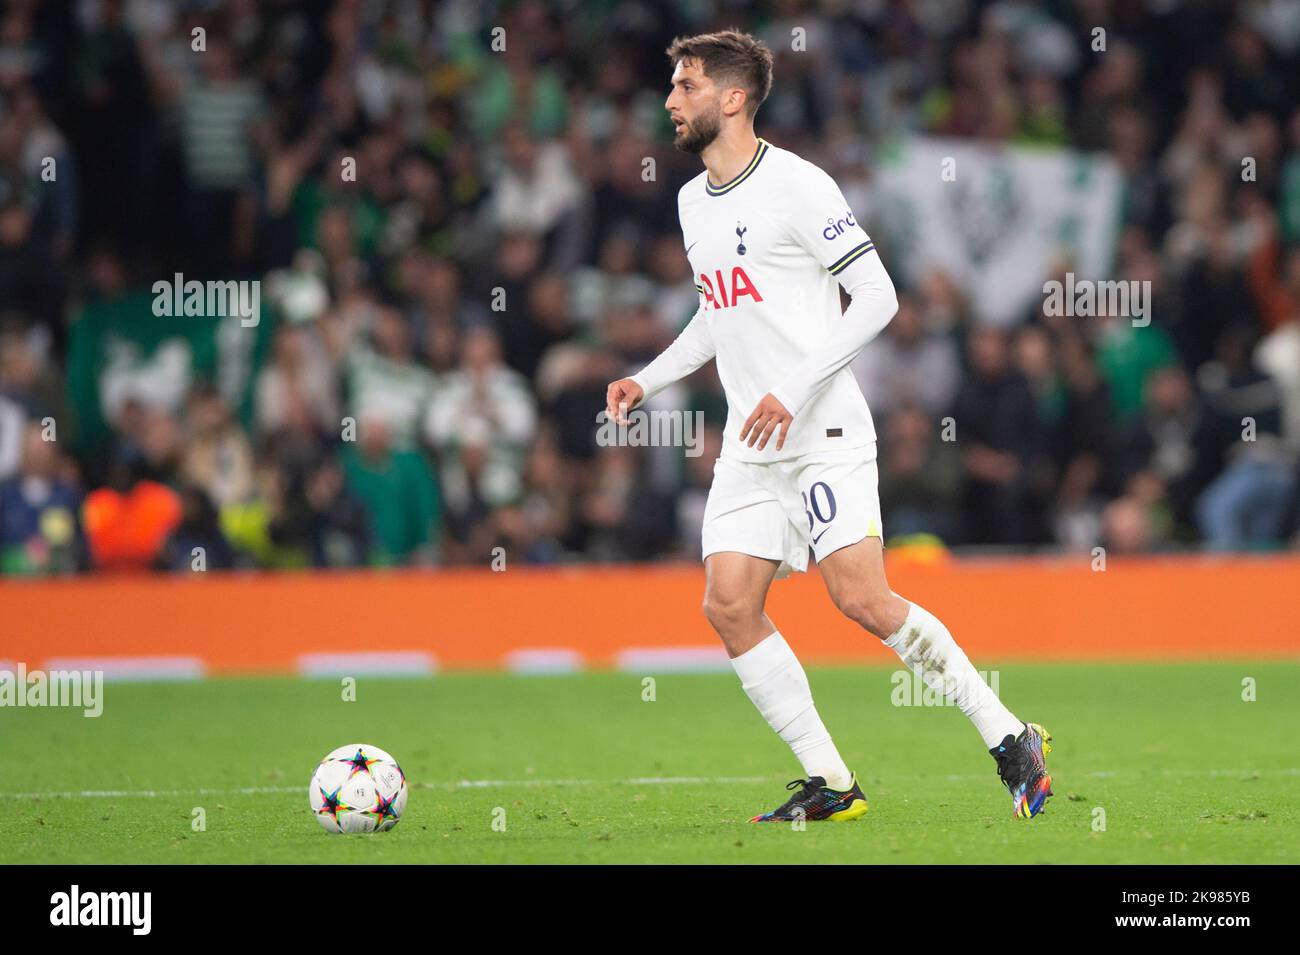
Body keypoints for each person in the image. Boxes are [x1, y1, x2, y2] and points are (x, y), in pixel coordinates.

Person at [605, 30, 1053, 823]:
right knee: (729, 602)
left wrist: (794, 385)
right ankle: (832, 782)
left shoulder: (800, 186)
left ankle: (1009, 734)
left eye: (685, 86)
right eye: (672, 87)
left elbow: (878, 295)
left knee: (863, 598)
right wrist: (648, 376)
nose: (670, 101)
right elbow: (720, 313)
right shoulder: (688, 202)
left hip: (822, 430)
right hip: (753, 440)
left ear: (733, 98)